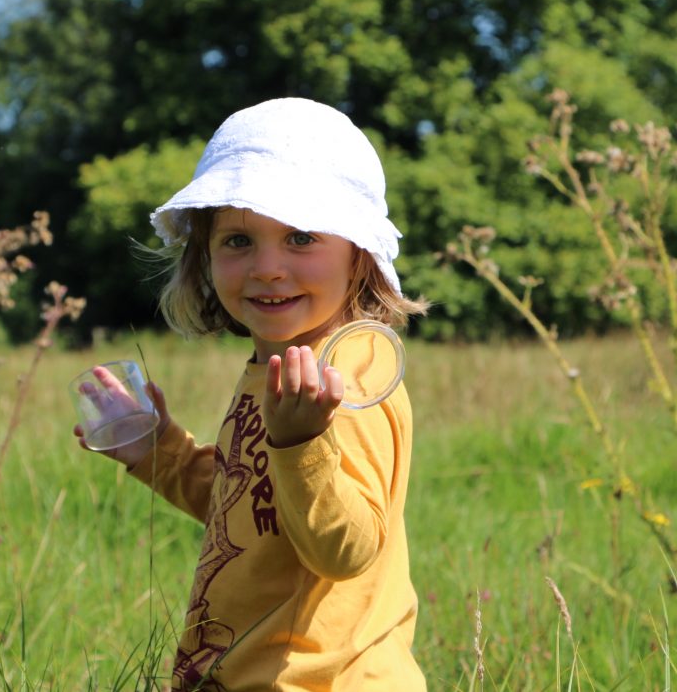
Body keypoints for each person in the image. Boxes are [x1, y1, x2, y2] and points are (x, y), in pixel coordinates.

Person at [74, 97, 428, 691]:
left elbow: (347, 550)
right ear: (204, 256)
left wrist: (301, 444)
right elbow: (250, 509)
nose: (266, 267)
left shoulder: (350, 376)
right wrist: (160, 451)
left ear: (358, 253)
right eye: (238, 241)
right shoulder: (273, 366)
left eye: (299, 237)